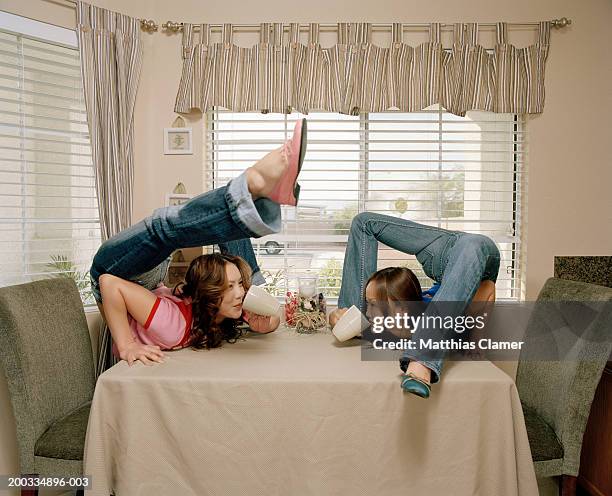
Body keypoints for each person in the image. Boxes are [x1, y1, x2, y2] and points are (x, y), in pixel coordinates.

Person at [91, 119, 307, 366]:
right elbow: (109, 285)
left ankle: (257, 186)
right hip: (126, 280)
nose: (239, 293)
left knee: (166, 229)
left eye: (240, 286)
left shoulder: (200, 317)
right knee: (168, 229)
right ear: (209, 296)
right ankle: (257, 188)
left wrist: (266, 319)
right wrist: (127, 346)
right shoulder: (188, 322)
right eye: (232, 287)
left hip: (115, 273)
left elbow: (109, 281)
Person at [329, 212, 500, 398]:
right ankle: (351, 317)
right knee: (363, 222)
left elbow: (488, 286)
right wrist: (340, 319)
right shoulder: (382, 325)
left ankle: (422, 360)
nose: (370, 312)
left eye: (372, 304)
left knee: (472, 245)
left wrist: (476, 340)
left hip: (477, 255)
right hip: (445, 256)